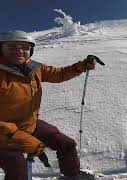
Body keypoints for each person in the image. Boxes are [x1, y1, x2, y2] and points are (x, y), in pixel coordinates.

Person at [0, 30, 97, 180]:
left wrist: (81, 66)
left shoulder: (34, 68)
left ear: (30, 50)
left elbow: (59, 74)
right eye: (12, 46)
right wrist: (23, 139)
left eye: (25, 47)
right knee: (18, 169)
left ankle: (73, 176)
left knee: (66, 144)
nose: (19, 51)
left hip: (28, 125)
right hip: (3, 134)